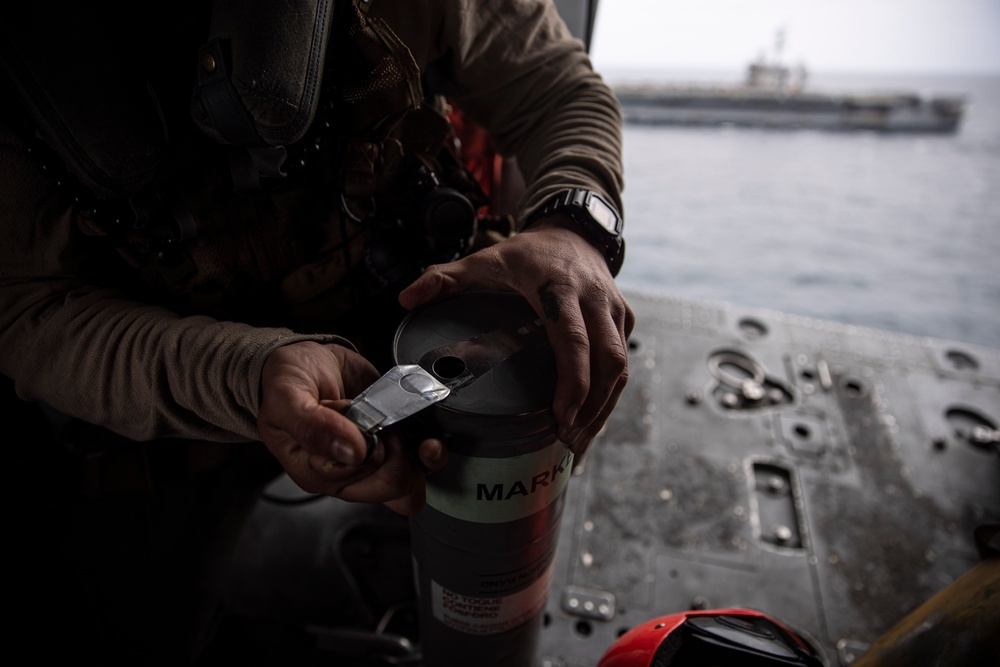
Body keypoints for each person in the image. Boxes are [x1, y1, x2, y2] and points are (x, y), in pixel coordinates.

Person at [1, 0, 634, 662]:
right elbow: (26, 306)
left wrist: (574, 228)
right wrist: (247, 374)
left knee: (493, 567)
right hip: (166, 393)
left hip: (413, 316)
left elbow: (553, 84)